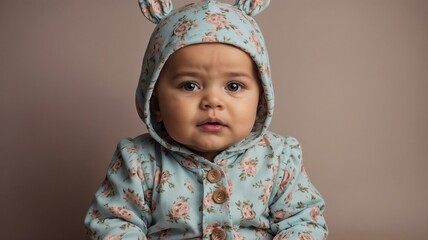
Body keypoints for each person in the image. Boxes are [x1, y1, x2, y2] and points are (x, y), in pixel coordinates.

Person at [84, 0, 328, 239]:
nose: (212, 101)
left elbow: (304, 222)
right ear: (156, 102)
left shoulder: (278, 159)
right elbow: (113, 223)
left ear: (261, 100)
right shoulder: (139, 161)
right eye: (190, 85)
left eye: (233, 86)